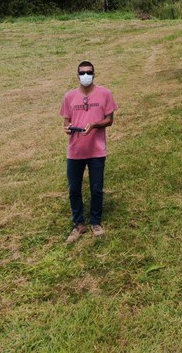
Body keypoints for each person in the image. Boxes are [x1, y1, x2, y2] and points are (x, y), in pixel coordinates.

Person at [60, 61, 118, 243]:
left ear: (94, 73)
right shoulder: (69, 97)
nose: (86, 75)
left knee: (96, 188)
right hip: (75, 151)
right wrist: (68, 129)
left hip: (97, 150)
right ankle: (78, 224)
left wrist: (94, 125)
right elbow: (65, 123)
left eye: (89, 72)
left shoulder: (105, 94)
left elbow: (109, 120)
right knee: (74, 189)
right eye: (82, 73)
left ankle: (95, 221)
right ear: (77, 75)